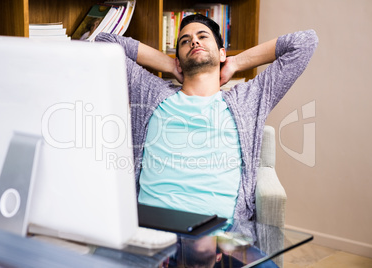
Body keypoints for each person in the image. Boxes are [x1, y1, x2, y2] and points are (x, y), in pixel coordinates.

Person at [95, 14, 318, 222]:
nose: (194, 42)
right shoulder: (152, 92)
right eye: (185, 41)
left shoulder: (247, 99)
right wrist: (169, 64)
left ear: (221, 53)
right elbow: (103, 43)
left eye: (202, 36)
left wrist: (236, 62)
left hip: (221, 237)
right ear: (179, 60)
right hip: (155, 232)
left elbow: (304, 42)